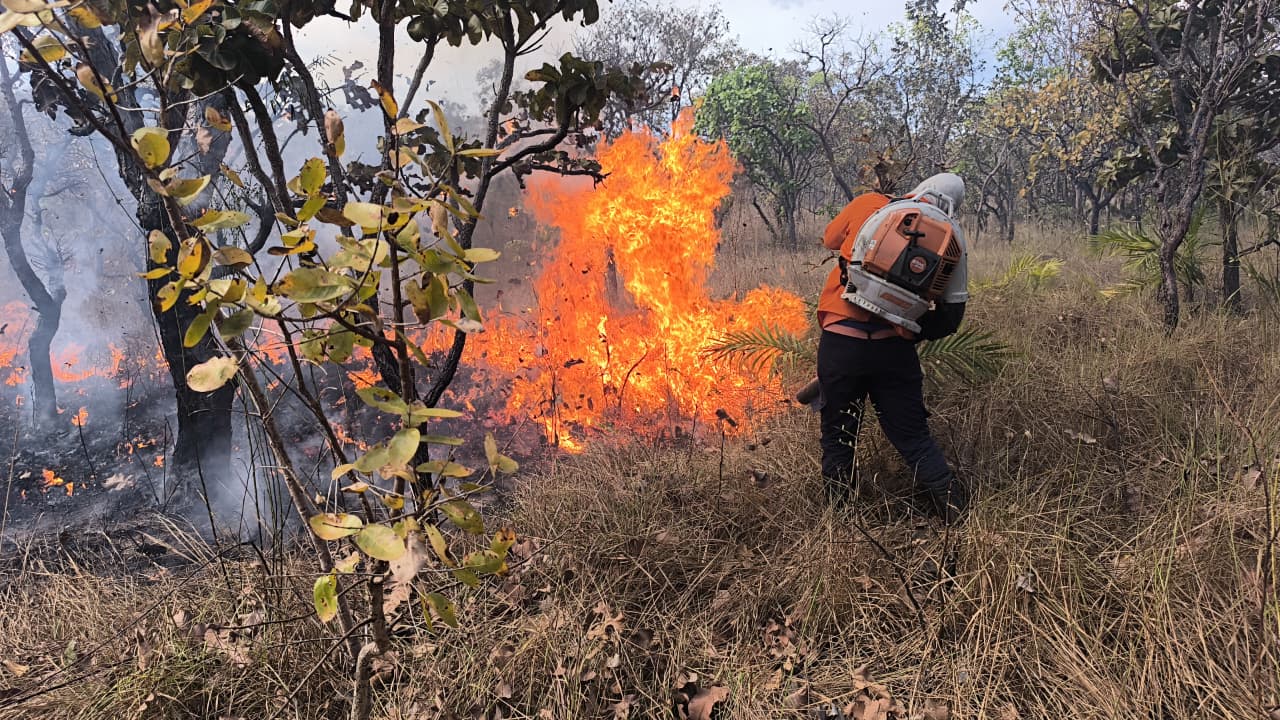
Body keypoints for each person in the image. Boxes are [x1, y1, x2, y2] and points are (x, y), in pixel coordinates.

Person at [814, 173, 970, 524]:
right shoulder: (952, 239)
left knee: (838, 438)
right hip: (894, 353)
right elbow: (950, 318)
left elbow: (829, 239)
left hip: (841, 344)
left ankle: (839, 526)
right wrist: (908, 331)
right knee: (915, 440)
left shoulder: (870, 204)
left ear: (919, 189)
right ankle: (958, 518)